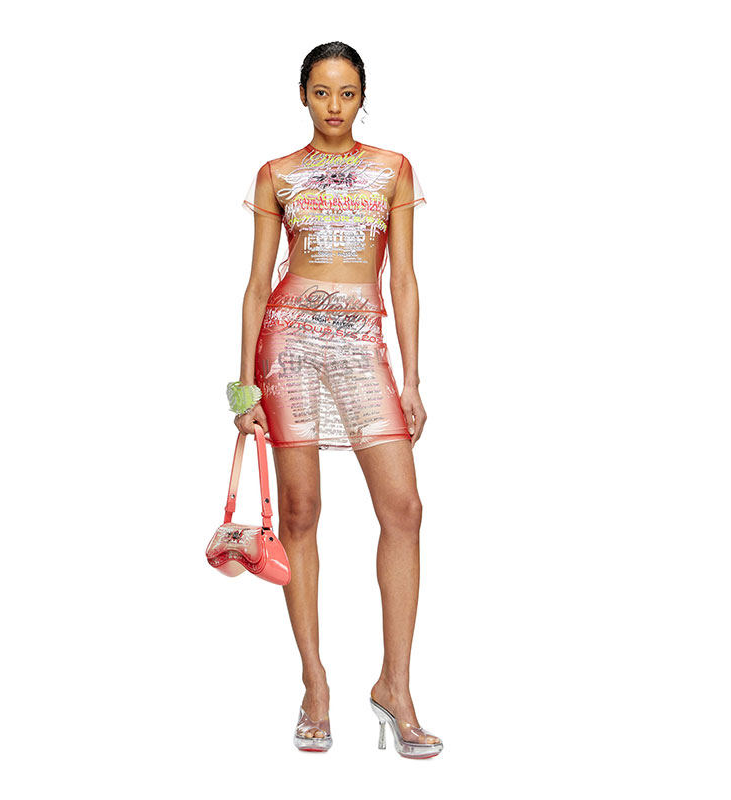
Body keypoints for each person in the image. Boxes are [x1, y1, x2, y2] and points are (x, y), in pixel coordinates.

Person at [227, 41, 443, 759]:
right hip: (288, 349)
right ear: (303, 95)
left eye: (346, 93)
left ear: (362, 97)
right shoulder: (277, 174)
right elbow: (256, 286)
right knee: (299, 512)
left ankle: (395, 687)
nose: (334, 106)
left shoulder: (392, 169)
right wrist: (244, 389)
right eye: (321, 92)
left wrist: (412, 378)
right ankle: (314, 685)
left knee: (404, 509)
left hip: (362, 348)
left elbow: (403, 280)